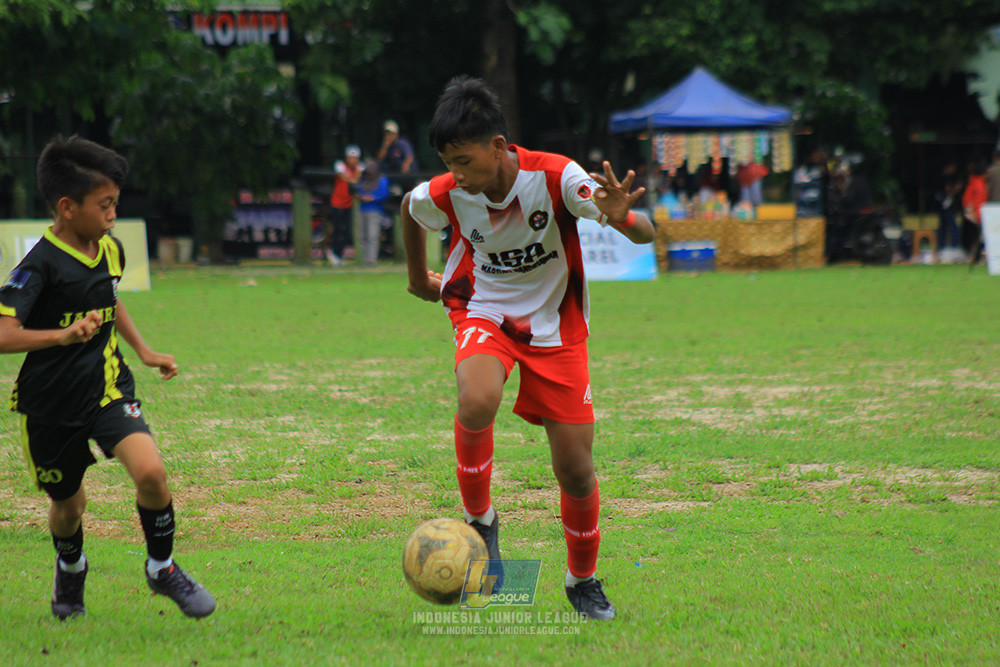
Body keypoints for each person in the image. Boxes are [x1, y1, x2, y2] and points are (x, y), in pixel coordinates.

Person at [400, 76, 654, 621]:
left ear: (498, 147)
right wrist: (418, 279)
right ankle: (481, 522)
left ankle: (582, 580)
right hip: (483, 308)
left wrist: (620, 214)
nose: (456, 174)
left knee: (576, 470)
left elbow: (647, 233)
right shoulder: (450, 191)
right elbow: (410, 205)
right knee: (476, 399)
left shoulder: (557, 176)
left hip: (556, 325)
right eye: (448, 162)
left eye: (464, 161)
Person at [0, 135, 214, 619]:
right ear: (67, 207)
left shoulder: (109, 249)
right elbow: (4, 333)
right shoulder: (38, 266)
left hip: (109, 389)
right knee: (69, 507)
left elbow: (110, 297)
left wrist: (144, 350)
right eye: (106, 204)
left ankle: (162, 568)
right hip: (50, 405)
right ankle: (71, 568)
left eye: (116, 202)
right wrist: (62, 336)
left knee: (152, 474)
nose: (114, 213)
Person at [327, 144, 363, 266]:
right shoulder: (340, 166)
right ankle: (333, 253)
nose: (353, 160)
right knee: (337, 230)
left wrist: (355, 176)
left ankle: (339, 255)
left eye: (355, 158)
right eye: (350, 157)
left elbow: (357, 176)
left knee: (346, 231)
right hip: (337, 204)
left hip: (348, 205)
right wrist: (352, 178)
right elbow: (344, 177)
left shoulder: (358, 168)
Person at [356, 159, 390, 266]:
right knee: (362, 235)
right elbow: (357, 190)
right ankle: (364, 259)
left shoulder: (382, 180)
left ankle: (372, 259)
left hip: (375, 210)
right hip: (362, 209)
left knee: (372, 235)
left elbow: (384, 194)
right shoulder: (363, 180)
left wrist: (372, 198)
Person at [935, 160, 964, 263]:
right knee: (954, 227)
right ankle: (954, 248)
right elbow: (948, 191)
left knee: (942, 227)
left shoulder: (940, 176)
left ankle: (941, 247)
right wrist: (957, 189)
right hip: (946, 205)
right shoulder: (946, 178)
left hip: (941, 206)